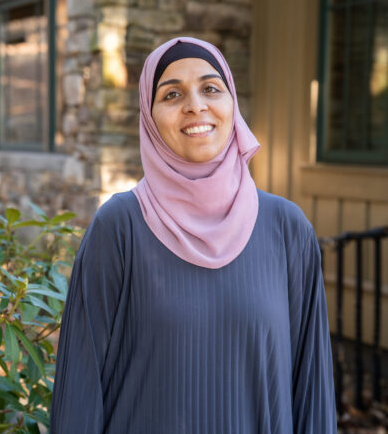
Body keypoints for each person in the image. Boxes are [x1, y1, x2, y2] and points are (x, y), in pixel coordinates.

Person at [49, 36, 338, 433]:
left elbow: (312, 390)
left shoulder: (287, 229)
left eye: (210, 88)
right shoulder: (119, 227)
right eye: (172, 94)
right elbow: (79, 390)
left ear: (232, 105)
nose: (195, 105)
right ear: (149, 117)